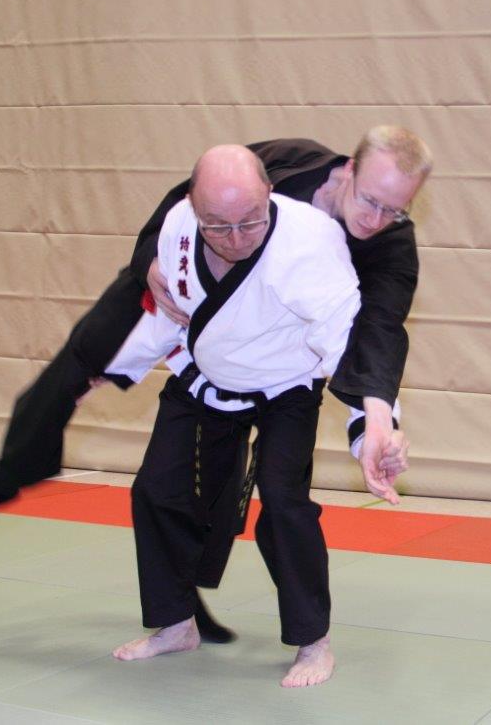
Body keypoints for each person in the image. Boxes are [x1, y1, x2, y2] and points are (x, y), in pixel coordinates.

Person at [0, 128, 432, 642]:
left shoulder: (385, 249)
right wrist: (150, 263)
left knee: (270, 496)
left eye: (394, 210)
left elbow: (373, 333)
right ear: (349, 169)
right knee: (84, 364)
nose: (375, 220)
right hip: (208, 340)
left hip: (288, 370)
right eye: (369, 201)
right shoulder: (286, 161)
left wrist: (376, 421)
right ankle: (8, 476)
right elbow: (189, 198)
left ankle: (279, 629)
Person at [107, 145, 356, 686]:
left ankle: (314, 641)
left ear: (270, 194)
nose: (237, 238)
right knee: (156, 489)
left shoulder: (312, 239)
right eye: (218, 226)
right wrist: (111, 367)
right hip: (208, 375)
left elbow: (346, 336)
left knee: (283, 503)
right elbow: (170, 309)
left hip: (287, 384)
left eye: (251, 221)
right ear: (193, 206)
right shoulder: (177, 226)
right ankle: (177, 624)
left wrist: (375, 421)